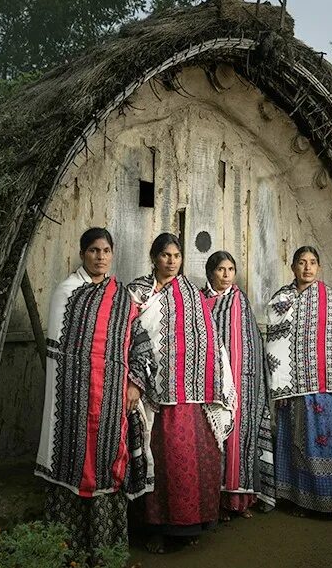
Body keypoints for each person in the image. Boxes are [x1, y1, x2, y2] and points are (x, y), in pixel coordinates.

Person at [35, 227, 155, 564]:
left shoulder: (122, 298)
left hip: (111, 403)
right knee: (73, 459)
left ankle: (106, 550)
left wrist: (134, 383)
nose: (100, 257)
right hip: (72, 403)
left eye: (105, 251)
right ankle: (66, 549)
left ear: (112, 254)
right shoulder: (66, 293)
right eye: (93, 251)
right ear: (82, 254)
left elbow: (140, 342)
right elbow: (59, 356)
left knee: (106, 465)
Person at [127, 233, 235, 554]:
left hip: (189, 392)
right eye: (165, 255)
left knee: (188, 456)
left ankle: (189, 524)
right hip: (150, 392)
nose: (172, 261)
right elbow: (129, 332)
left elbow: (208, 338)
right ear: (154, 257)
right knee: (155, 456)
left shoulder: (190, 293)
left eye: (177, 255)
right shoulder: (137, 292)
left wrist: (210, 380)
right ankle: (156, 527)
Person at [265, 245, 332, 521]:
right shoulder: (281, 301)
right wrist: (281, 383)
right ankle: (303, 501)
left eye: (313, 262)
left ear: (319, 267)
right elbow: (275, 342)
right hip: (294, 389)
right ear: (292, 267)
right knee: (299, 443)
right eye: (301, 262)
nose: (307, 268)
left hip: (328, 388)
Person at [201, 251, 275, 519]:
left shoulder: (239, 300)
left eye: (231, 269)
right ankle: (216, 501)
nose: (226, 275)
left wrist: (251, 379)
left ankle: (240, 500)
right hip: (213, 383)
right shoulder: (200, 301)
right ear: (211, 272)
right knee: (214, 438)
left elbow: (251, 341)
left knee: (240, 440)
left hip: (243, 383)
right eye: (221, 269)